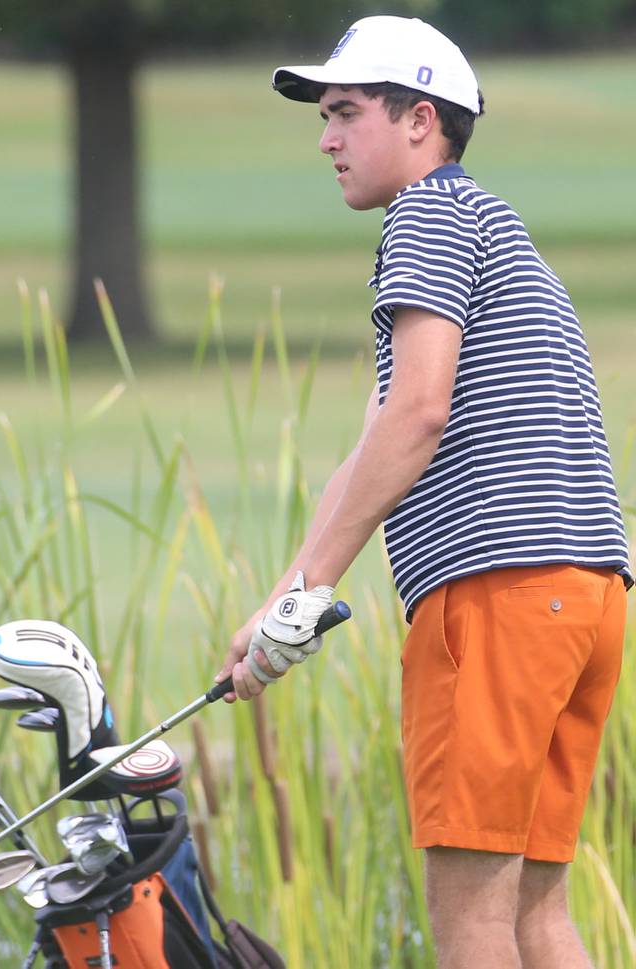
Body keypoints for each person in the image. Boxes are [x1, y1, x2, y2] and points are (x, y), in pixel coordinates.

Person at [214, 15, 632, 969]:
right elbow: (376, 435)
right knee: (537, 916)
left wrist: (305, 591)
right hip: (584, 598)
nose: (326, 138)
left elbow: (418, 418)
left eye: (347, 112)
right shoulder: (489, 223)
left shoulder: (428, 216)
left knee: (472, 923)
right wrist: (286, 595)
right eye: (324, 117)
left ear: (421, 121)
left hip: (498, 600)